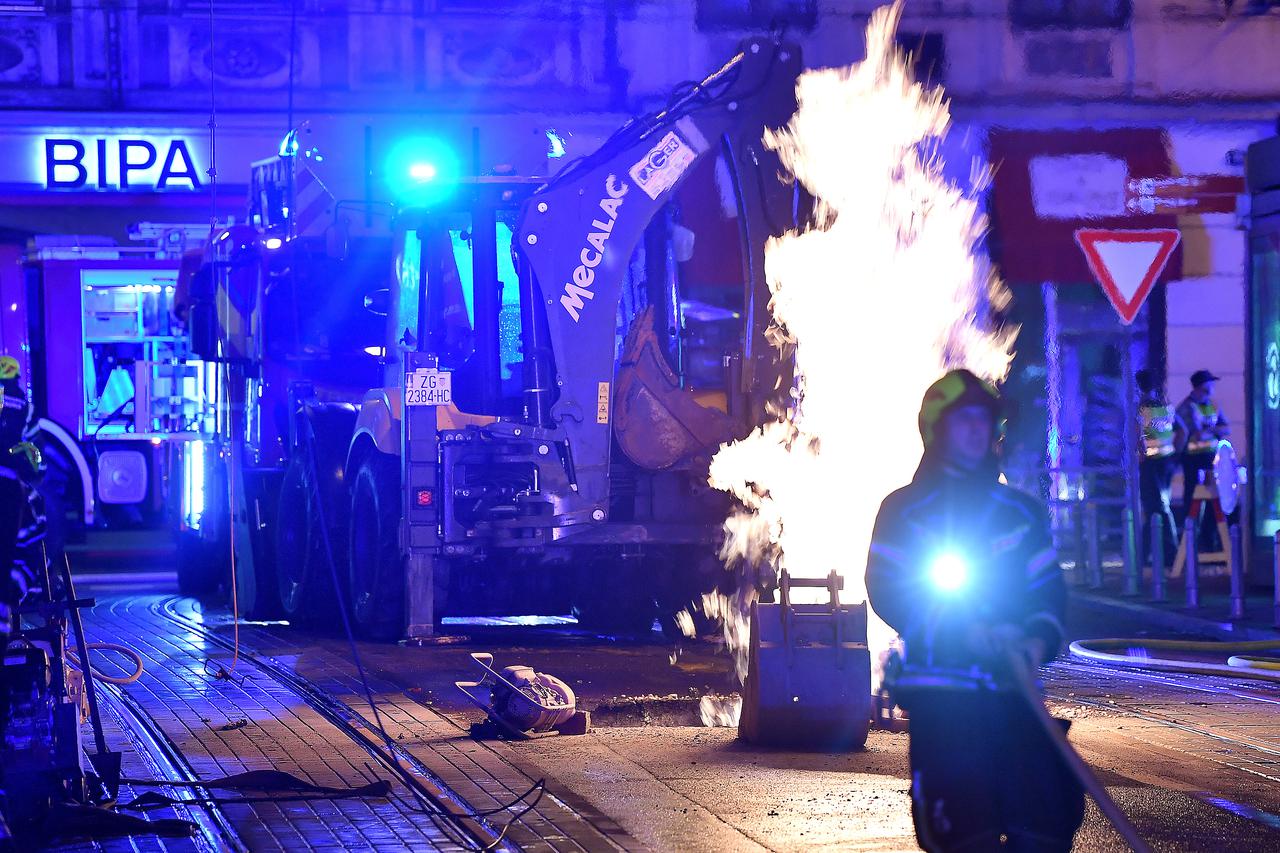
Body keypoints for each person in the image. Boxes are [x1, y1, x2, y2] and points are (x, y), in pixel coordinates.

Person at [867, 369, 1083, 852]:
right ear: (936, 430)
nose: (975, 430)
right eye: (962, 420)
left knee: (1046, 818)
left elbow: (1047, 590)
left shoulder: (1019, 512)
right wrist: (966, 633)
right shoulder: (904, 511)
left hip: (1013, 694)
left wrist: (1035, 639)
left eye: (983, 421)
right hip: (943, 699)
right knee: (962, 829)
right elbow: (888, 589)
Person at [1176, 369, 1230, 548]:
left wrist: (1210, 430)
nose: (1213, 387)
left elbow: (1226, 429)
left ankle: (1209, 541)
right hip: (1193, 462)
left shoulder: (1213, 405)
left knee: (1214, 500)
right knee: (1192, 502)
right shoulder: (1186, 407)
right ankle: (1190, 544)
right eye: (1210, 383)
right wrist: (1214, 430)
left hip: (1211, 460)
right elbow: (1197, 435)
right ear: (1200, 386)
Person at [1137, 369, 1184, 570]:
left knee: (1157, 509)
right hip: (1166, 463)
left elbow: (1137, 436)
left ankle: (1171, 553)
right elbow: (1183, 431)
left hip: (1150, 464)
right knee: (1157, 508)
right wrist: (1175, 455)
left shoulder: (1142, 407)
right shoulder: (1166, 407)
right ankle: (1148, 552)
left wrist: (1139, 454)